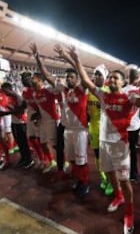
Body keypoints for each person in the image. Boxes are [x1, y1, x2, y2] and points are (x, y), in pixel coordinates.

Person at [55, 44, 140, 234]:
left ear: (123, 82)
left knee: (125, 181)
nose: (112, 80)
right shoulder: (103, 94)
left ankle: (129, 214)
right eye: (111, 78)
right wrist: (76, 59)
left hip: (120, 146)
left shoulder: (128, 97)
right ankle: (118, 197)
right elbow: (85, 79)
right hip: (104, 143)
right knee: (110, 174)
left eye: (116, 78)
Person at [31, 42, 90, 197]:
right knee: (71, 159)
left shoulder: (82, 89)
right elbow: (47, 76)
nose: (69, 79)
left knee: (81, 159)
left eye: (72, 77)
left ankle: (84, 183)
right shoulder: (62, 90)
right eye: (67, 77)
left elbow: (81, 72)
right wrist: (38, 58)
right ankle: (77, 179)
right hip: (67, 130)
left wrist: (71, 58)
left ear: (77, 78)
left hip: (80, 131)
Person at [87, 64, 113, 195]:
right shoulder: (89, 92)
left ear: (105, 77)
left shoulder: (108, 91)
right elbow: (86, 112)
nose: (97, 77)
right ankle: (103, 178)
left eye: (100, 74)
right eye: (95, 74)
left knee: (107, 157)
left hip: (107, 130)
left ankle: (111, 181)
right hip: (93, 129)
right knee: (97, 156)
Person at [0, 82, 34, 169]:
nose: (4, 93)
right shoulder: (10, 97)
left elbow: (20, 111)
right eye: (3, 91)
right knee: (19, 142)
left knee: (23, 142)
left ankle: (29, 160)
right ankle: (23, 158)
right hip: (14, 122)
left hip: (21, 122)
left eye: (5, 90)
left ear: (9, 89)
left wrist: (6, 112)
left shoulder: (18, 97)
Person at [124, 68, 140, 182]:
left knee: (123, 151)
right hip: (135, 126)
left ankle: (123, 172)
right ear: (137, 78)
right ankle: (133, 174)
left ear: (128, 77)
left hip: (123, 126)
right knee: (133, 151)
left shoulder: (123, 90)